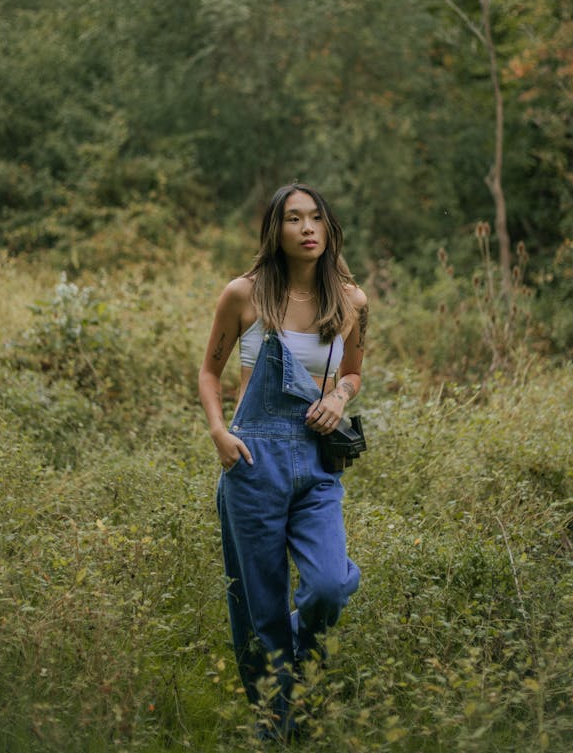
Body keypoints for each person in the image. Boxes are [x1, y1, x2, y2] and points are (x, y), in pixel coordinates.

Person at [198, 182, 368, 738]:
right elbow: (209, 372)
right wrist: (221, 432)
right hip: (253, 463)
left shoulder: (351, 300)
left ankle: (290, 651)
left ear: (328, 226)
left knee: (328, 586)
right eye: (294, 219)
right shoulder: (244, 294)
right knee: (257, 605)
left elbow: (352, 373)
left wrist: (338, 397)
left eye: (316, 217)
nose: (308, 228)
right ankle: (278, 728)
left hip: (318, 464)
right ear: (277, 230)